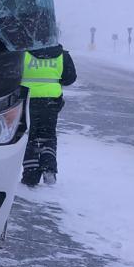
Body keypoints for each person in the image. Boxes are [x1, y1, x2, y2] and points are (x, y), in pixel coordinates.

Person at [21, 44, 77, 186]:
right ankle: (49, 168)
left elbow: (11, 74)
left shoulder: (23, 53)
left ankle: (31, 174)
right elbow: (70, 78)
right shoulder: (61, 54)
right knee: (48, 135)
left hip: (28, 101)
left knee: (29, 137)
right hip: (51, 101)